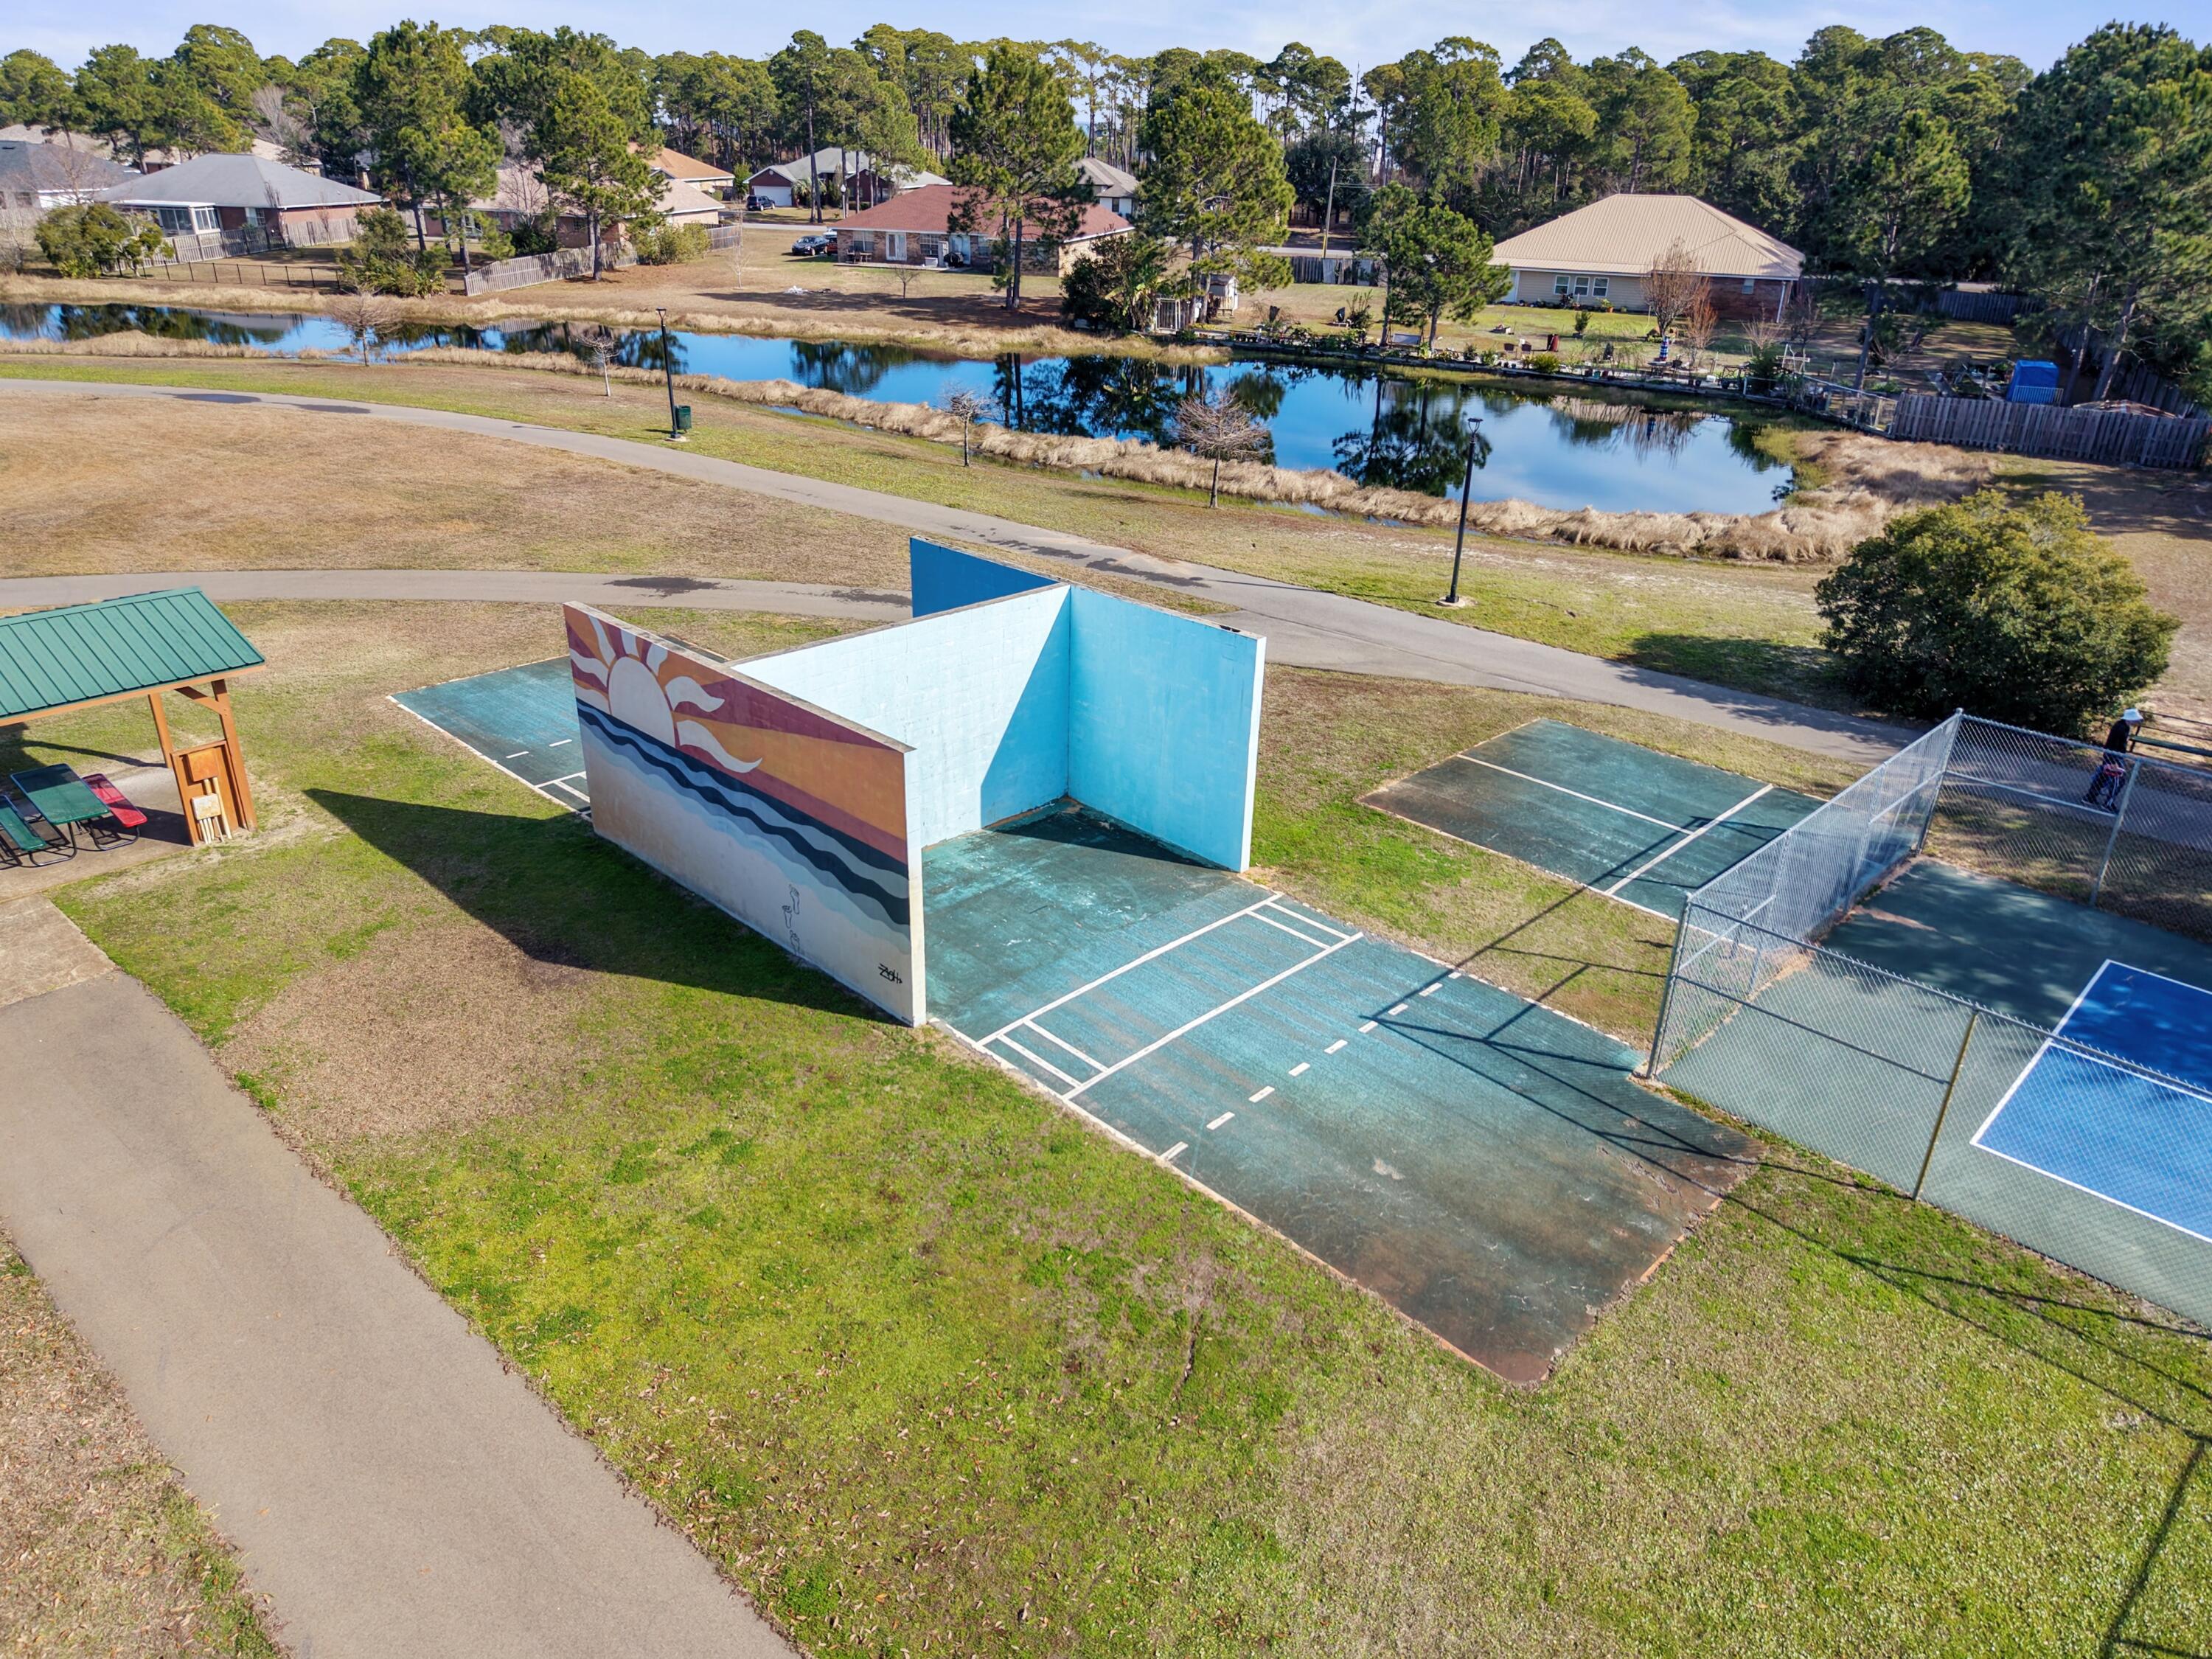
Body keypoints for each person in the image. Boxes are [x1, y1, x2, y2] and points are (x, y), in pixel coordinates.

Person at [2085, 708, 2143, 808]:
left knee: (2103, 776)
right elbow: (2115, 744)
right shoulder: (2121, 728)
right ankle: (2108, 803)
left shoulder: (2123, 726)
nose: (2136, 722)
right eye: (2135, 720)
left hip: (2113, 755)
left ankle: (2090, 797)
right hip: (2114, 756)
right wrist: (2114, 761)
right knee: (2119, 779)